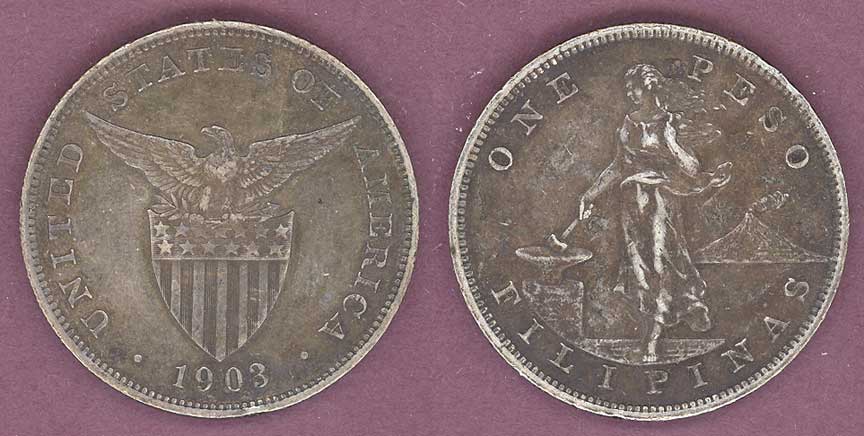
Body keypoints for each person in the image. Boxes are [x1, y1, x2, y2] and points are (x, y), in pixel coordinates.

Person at [576, 64, 732, 362]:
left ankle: (654, 337)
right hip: (631, 203)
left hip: (661, 201)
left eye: (633, 88)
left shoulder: (672, 122)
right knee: (638, 267)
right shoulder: (628, 124)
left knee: (662, 263)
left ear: (648, 86)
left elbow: (691, 168)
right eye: (627, 89)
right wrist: (589, 195)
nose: (629, 94)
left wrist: (671, 142)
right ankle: (685, 308)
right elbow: (618, 166)